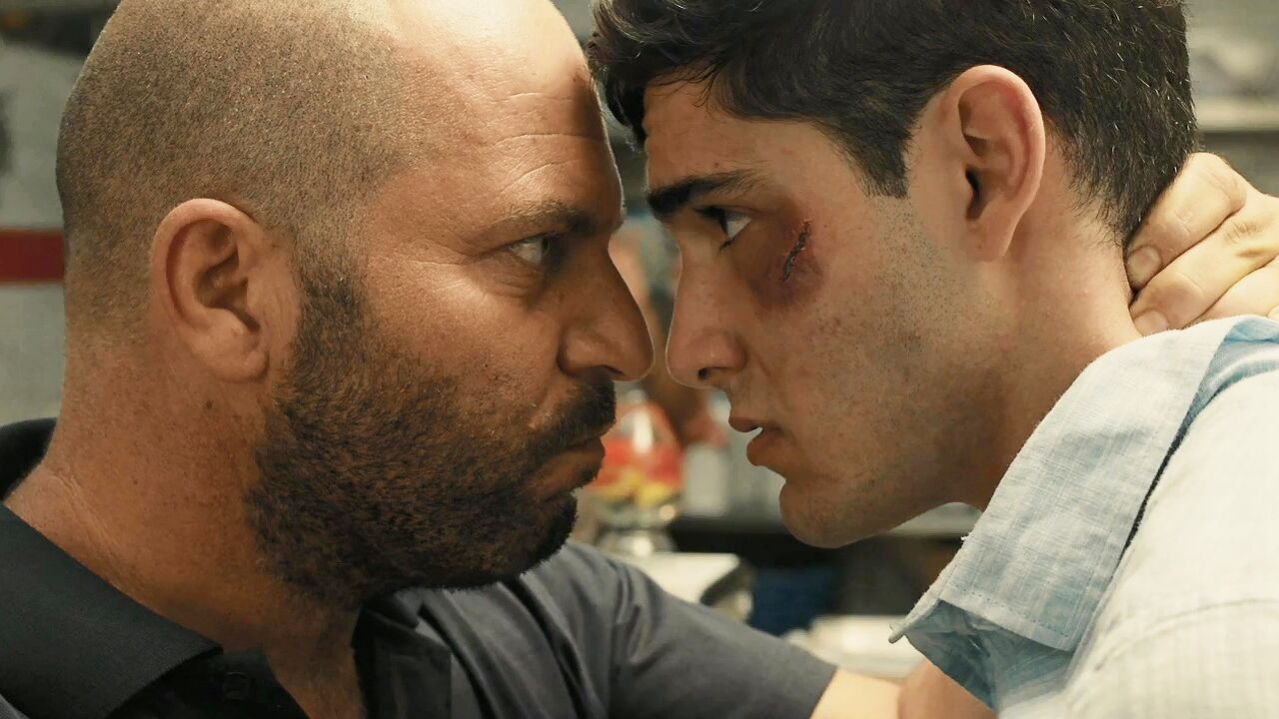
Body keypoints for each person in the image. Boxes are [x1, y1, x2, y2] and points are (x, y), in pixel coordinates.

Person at [0, 1, 1275, 718]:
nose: (632, 340)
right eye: (534, 249)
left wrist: (1132, 314)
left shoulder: (515, 618)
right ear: (225, 288)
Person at [589, 0, 1279, 715]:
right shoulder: (1117, 602)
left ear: (982, 166)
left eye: (731, 222)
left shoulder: (1195, 652)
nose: (688, 353)